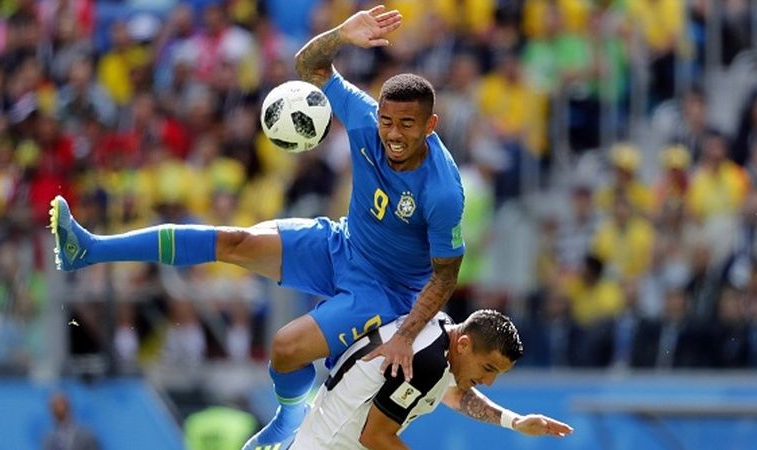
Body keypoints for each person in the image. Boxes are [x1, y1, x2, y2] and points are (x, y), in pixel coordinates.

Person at [50, 5, 465, 449]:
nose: (394, 134)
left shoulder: (442, 190)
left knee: (285, 349)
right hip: (341, 243)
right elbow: (309, 64)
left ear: (430, 125)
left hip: (385, 292)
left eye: (407, 125)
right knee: (235, 240)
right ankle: (89, 249)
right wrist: (341, 34)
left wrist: (404, 336)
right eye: (387, 121)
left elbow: (446, 274)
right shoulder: (365, 119)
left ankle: (288, 421)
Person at [289, 309, 573, 449]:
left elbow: (454, 394)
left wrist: (514, 421)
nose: (489, 381)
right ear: (463, 344)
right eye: (488, 368)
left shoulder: (439, 331)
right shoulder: (429, 362)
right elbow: (375, 436)